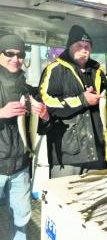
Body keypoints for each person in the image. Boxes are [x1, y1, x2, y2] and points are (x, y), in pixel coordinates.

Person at [39, 25, 107, 178]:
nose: (84, 49)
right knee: (65, 199)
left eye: (87, 46)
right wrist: (82, 100)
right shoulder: (55, 69)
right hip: (67, 155)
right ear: (69, 46)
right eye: (79, 45)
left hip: (96, 151)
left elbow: (105, 103)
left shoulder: (98, 72)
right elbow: (46, 102)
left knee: (94, 200)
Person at [0, 34, 49, 240]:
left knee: (22, 220)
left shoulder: (29, 90)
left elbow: (43, 127)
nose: (15, 59)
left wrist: (45, 115)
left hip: (21, 167)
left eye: (20, 55)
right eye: (9, 53)